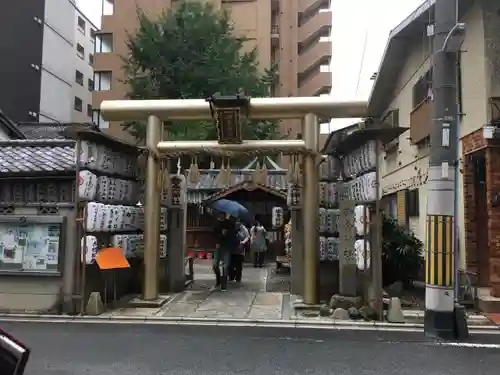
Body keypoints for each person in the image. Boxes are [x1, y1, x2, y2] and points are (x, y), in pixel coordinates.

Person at [211, 214, 236, 292]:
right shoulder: (216, 223)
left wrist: (226, 233)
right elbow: (214, 234)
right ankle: (218, 281)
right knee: (215, 265)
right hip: (217, 246)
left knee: (225, 266)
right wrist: (220, 235)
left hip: (226, 247)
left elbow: (233, 235)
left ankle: (224, 285)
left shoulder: (229, 224)